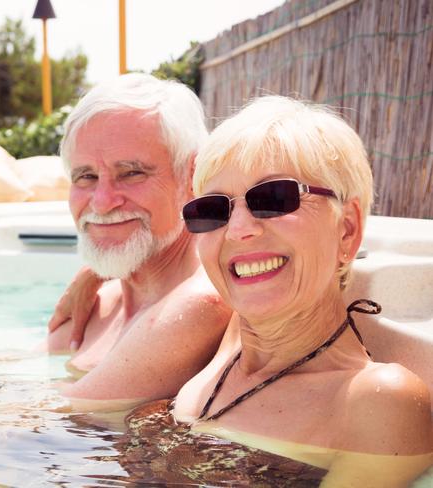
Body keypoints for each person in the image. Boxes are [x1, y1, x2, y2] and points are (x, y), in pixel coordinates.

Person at [170, 95, 432, 486]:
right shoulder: (235, 338)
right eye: (213, 209)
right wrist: (96, 274)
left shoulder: (376, 401)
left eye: (273, 198)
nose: (238, 229)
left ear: (347, 230)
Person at [47, 73, 232, 410]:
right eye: (86, 176)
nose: (102, 202)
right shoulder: (98, 301)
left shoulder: (198, 305)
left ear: (193, 177)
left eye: (132, 173)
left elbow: (47, 419)